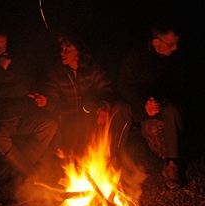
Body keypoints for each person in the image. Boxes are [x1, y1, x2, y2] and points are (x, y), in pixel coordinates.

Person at [0, 30, 58, 181]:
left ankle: (14, 171)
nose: (1, 50)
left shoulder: (13, 63)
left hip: (20, 118)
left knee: (49, 125)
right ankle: (31, 176)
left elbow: (25, 87)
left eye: (4, 45)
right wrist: (0, 69)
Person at [117, 20, 188, 189]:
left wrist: (160, 100)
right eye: (171, 44)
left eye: (176, 44)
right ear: (157, 42)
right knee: (119, 109)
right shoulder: (137, 55)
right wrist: (144, 102)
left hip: (160, 107)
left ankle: (172, 165)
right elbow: (123, 84)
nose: (175, 48)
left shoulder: (176, 59)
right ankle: (111, 158)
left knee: (173, 111)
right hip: (139, 106)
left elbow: (182, 87)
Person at [30, 35, 125, 158]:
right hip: (70, 119)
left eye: (67, 50)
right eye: (62, 49)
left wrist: (104, 106)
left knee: (103, 109)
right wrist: (46, 102)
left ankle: (112, 156)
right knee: (74, 152)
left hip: (92, 115)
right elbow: (54, 102)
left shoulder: (91, 69)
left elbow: (107, 88)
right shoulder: (57, 73)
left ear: (78, 52)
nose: (62, 53)